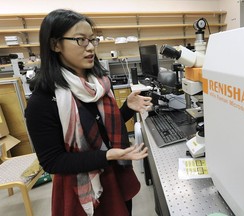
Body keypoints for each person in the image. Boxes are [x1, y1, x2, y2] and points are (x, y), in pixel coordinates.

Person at [25, 9, 152, 216]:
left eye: (93, 39)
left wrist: (127, 109)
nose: (91, 47)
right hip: (82, 189)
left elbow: (102, 128)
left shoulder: (98, 84)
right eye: (80, 40)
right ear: (55, 44)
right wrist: (106, 156)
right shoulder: (44, 100)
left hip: (115, 176)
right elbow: (52, 161)